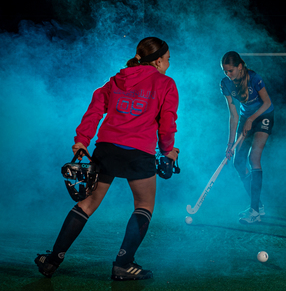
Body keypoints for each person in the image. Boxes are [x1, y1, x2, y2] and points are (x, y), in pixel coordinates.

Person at [34, 37, 179, 280]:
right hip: (139, 152)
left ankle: (52, 260)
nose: (168, 65)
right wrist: (168, 151)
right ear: (157, 61)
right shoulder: (166, 83)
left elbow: (94, 109)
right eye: (167, 60)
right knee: (144, 206)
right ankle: (123, 264)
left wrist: (82, 139)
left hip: (107, 148)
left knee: (86, 205)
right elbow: (167, 124)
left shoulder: (116, 79)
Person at [220, 51, 274, 224]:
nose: (228, 74)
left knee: (254, 157)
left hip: (264, 116)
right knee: (237, 162)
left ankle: (254, 212)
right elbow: (233, 115)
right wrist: (230, 144)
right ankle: (257, 204)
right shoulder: (225, 84)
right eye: (225, 71)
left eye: (230, 71)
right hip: (245, 118)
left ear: (240, 67)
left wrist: (251, 119)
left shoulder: (254, 78)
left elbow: (267, 102)